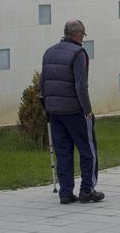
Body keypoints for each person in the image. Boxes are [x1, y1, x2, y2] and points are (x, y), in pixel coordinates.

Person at [40, 19, 104, 204]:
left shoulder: (49, 52)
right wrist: (88, 110)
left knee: (63, 152)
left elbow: (43, 84)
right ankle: (87, 190)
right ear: (78, 35)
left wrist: (47, 107)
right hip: (75, 111)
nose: (83, 38)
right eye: (83, 35)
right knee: (88, 151)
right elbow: (81, 86)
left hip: (55, 113)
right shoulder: (78, 53)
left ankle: (66, 193)